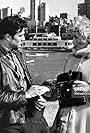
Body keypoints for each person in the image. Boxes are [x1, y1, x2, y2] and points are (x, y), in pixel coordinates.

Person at [0, 15, 51, 133]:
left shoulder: (18, 54)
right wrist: (26, 95)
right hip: (7, 123)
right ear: (8, 37)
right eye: (21, 35)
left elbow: (25, 84)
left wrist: (36, 98)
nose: (24, 38)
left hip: (27, 117)